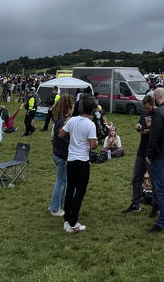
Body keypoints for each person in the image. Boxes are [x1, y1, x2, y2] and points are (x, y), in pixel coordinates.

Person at [59, 95, 98, 232]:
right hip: (82, 161)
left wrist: (68, 126)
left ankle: (67, 218)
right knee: (79, 192)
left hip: (71, 160)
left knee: (70, 190)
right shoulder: (90, 124)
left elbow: (60, 134)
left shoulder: (73, 120)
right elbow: (93, 146)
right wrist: (96, 143)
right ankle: (72, 222)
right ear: (92, 109)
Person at [122, 94, 158, 215]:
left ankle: (155, 205)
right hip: (141, 151)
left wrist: (145, 130)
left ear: (153, 105)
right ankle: (135, 203)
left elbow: (156, 132)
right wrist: (138, 127)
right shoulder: (144, 113)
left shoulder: (157, 114)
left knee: (154, 180)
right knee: (136, 178)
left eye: (148, 108)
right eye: (145, 108)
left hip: (152, 153)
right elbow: (140, 125)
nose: (146, 110)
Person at [146, 87, 164, 232]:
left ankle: (162, 220)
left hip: (158, 155)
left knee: (161, 188)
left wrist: (149, 155)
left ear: (157, 97)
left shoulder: (158, 113)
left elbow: (154, 136)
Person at [48, 94, 73, 217]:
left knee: (64, 181)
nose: (73, 109)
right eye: (72, 106)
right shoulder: (63, 122)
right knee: (61, 181)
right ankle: (54, 208)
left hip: (58, 153)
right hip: (61, 155)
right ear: (68, 107)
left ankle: (60, 205)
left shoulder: (59, 119)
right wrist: (68, 157)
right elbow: (62, 141)